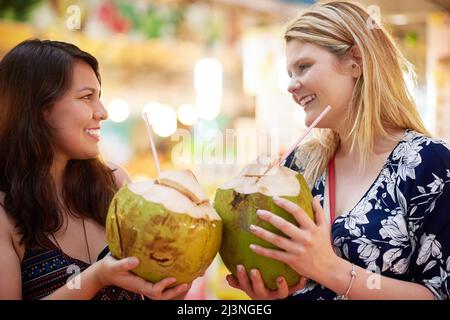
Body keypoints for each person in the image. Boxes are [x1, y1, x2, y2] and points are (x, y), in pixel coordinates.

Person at [226, 1, 450, 300]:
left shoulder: (429, 163)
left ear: (355, 62)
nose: (291, 85)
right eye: (289, 72)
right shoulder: (300, 166)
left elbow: (440, 292)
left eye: (303, 66)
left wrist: (330, 269)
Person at [0, 39, 191, 300]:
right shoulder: (4, 213)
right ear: (40, 109)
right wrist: (96, 278)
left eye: (99, 97)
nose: (102, 112)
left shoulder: (115, 183)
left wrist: (172, 288)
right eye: (86, 97)